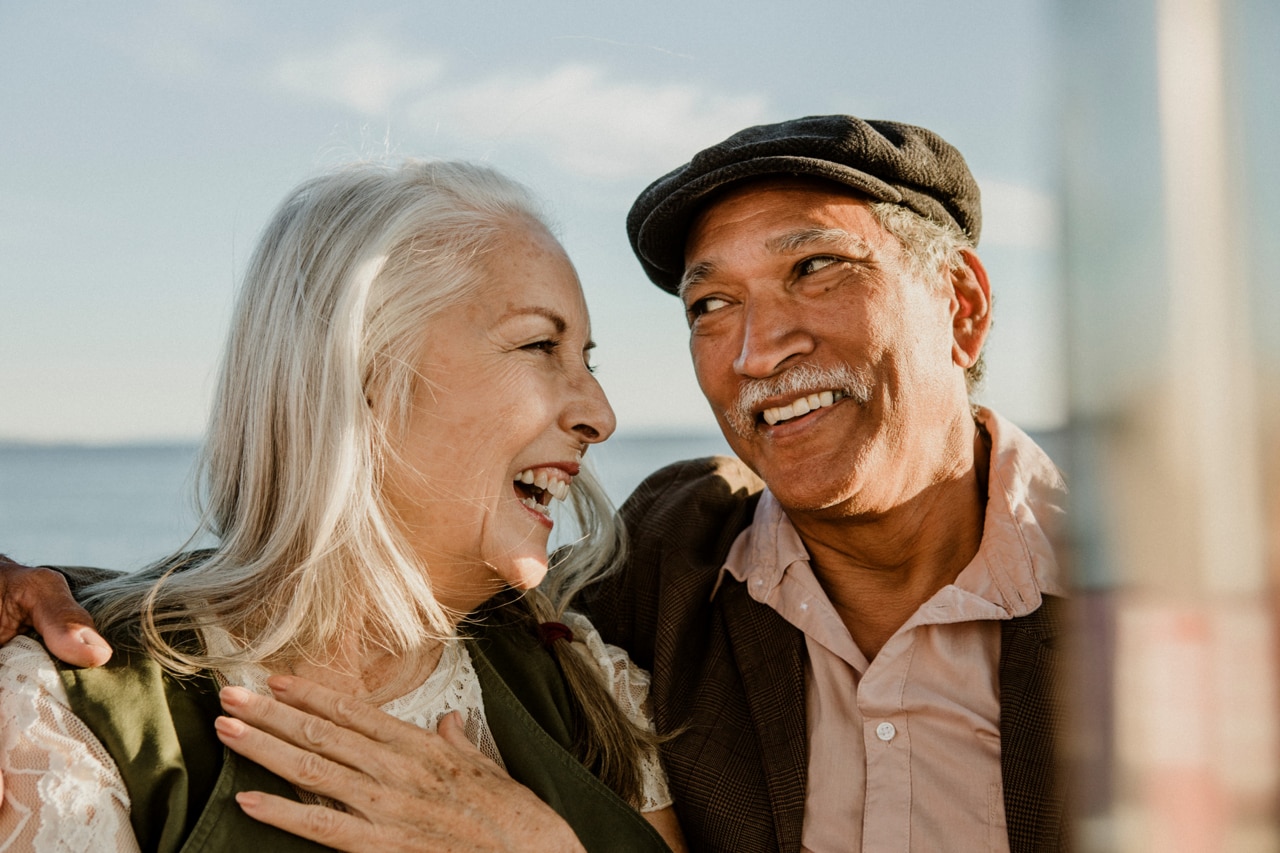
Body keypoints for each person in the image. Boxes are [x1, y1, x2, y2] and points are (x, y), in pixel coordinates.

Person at [1, 115, 1068, 852]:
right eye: (707, 305)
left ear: (963, 309)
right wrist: (44, 598)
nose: (755, 348)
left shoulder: (1187, 599)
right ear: (362, 379)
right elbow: (236, 607)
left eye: (813, 268)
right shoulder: (653, 597)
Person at [0, 160, 687, 852]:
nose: (600, 413)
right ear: (364, 370)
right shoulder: (62, 715)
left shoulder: (590, 683)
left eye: (587, 360)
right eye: (541, 344)